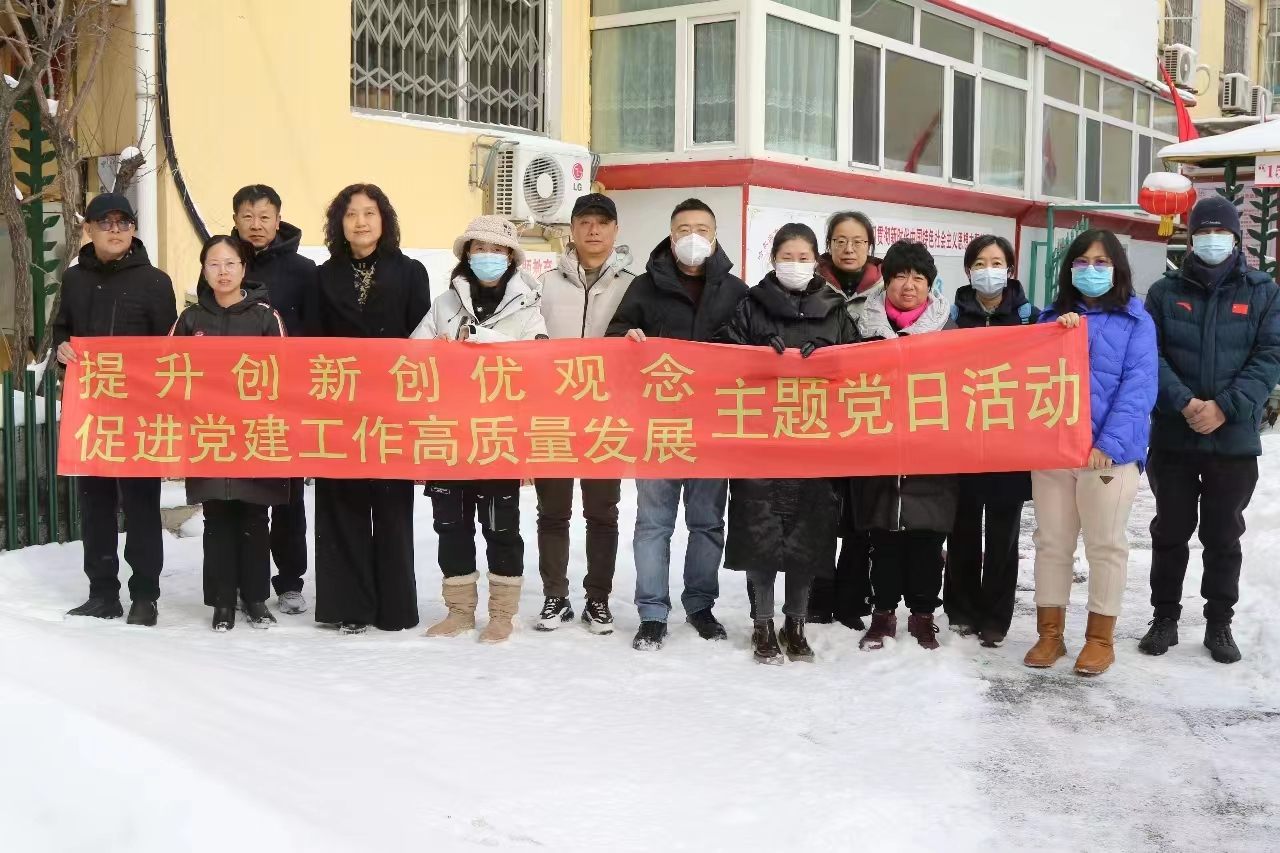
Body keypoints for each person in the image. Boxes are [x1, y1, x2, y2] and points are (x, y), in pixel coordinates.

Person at [1141, 196, 1280, 664]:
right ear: (1191, 238)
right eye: (1204, 232)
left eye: (1221, 232)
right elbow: (1151, 355)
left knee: (1223, 536)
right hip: (1174, 437)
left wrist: (1225, 407)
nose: (1212, 240)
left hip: (1233, 440)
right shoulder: (1163, 292)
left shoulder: (1263, 292)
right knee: (1170, 531)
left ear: (1236, 239)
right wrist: (1183, 402)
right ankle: (1164, 617)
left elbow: (1269, 357)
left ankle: (1219, 622)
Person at [606, 198, 749, 651]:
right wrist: (626, 339)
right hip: (657, 426)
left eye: (701, 229)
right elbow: (614, 340)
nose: (693, 237)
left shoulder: (735, 291)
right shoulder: (645, 287)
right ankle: (652, 611)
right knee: (653, 524)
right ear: (671, 237)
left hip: (713, 427)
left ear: (715, 235)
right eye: (684, 230)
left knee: (707, 523)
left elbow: (754, 351)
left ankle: (701, 605)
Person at [716, 224, 858, 664]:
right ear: (773, 259)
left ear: (816, 261)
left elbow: (858, 366)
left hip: (813, 439)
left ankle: (795, 622)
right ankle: (762, 623)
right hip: (760, 438)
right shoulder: (750, 305)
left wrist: (831, 353)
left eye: (803, 257)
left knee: (806, 534)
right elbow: (721, 359)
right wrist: (756, 351)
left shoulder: (836, 309)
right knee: (760, 532)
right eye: (787, 257)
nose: (795, 264)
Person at [1025, 229, 1157, 676]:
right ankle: (1050, 634)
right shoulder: (1050, 318)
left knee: (1105, 546)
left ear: (1117, 269)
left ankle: (1100, 639)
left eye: (1101, 262)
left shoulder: (1136, 321)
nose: (1091, 270)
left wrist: (1109, 444)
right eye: (1082, 262)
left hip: (1108, 457)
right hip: (1055, 453)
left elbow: (1139, 388)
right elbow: (1029, 378)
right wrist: (1055, 335)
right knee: (1051, 543)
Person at [413, 215, 548, 644]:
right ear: (467, 255)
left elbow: (541, 363)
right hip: (450, 434)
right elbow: (412, 357)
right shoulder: (444, 304)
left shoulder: (528, 307)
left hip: (499, 435)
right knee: (450, 527)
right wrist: (436, 350)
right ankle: (458, 612)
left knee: (501, 528)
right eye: (479, 248)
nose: (487, 256)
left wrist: (494, 345)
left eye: (496, 250)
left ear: (510, 257)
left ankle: (502, 615)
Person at [53, 192, 176, 626]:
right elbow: (62, 331)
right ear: (88, 229)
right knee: (96, 506)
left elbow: (170, 351)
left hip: (140, 414)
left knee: (141, 506)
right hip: (90, 412)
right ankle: (102, 592)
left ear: (133, 229)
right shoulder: (74, 279)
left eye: (124, 222)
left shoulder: (155, 281)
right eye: (105, 222)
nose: (115, 230)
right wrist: (62, 350)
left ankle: (145, 594)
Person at [312, 184, 430, 634]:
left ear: (384, 220)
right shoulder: (322, 276)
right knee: (342, 507)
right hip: (339, 408)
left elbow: (421, 341)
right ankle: (351, 607)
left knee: (392, 509)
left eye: (369, 213)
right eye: (350, 214)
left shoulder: (411, 272)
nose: (360, 222)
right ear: (339, 224)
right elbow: (311, 345)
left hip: (392, 407)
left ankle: (395, 608)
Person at [172, 235, 289, 631]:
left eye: (230, 264)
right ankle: (222, 602)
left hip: (256, 433)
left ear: (243, 269)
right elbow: (167, 369)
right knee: (217, 518)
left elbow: (286, 373)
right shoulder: (190, 319)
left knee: (255, 517)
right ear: (204, 270)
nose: (222, 272)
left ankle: (255, 599)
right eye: (213, 264)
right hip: (208, 435)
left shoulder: (265, 317)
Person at [533, 193, 635, 634]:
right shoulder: (543, 284)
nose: (594, 230)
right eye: (585, 222)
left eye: (602, 222)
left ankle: (598, 599)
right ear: (572, 230)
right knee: (552, 512)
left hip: (606, 415)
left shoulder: (633, 285)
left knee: (602, 513)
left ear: (615, 230)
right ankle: (555, 597)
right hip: (552, 413)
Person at [853, 240, 958, 651]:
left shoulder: (950, 329)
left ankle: (923, 615)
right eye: (899, 276)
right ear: (886, 280)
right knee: (883, 539)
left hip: (932, 453)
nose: (908, 285)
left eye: (918, 277)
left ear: (930, 284)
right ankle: (882, 615)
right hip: (879, 450)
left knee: (928, 541)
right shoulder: (861, 327)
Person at [943, 235, 1040, 648]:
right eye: (980, 263)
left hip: (1009, 441)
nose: (988, 270)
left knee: (1003, 534)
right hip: (961, 438)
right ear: (968, 270)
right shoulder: (949, 315)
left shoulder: (1031, 317)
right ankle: (961, 609)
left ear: (1010, 269)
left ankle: (996, 617)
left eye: (996, 263)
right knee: (961, 529)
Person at [232, 184, 318, 616]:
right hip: (235, 400)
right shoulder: (224, 264)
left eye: (264, 216)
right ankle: (246, 580)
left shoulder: (304, 270)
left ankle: (290, 581)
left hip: (288, 399)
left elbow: (316, 333)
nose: (256, 225)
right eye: (247, 216)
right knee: (243, 495)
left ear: (278, 220)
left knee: (288, 496)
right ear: (235, 221)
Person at [811, 211, 882, 630]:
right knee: (821, 509)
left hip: (867, 414)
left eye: (857, 241)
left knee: (861, 513)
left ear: (870, 246)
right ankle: (818, 595)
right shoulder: (811, 286)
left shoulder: (885, 291)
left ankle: (852, 598)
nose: (849, 249)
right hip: (819, 414)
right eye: (840, 240)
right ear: (829, 245)